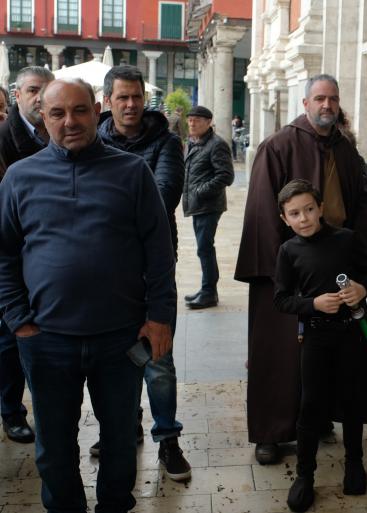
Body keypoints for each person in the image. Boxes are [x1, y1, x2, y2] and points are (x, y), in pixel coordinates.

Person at [0, 78, 176, 513]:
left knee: (119, 442)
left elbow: (158, 252)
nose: (70, 121)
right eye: (58, 113)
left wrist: (160, 318)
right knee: (54, 449)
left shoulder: (132, 172)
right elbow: (4, 255)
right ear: (44, 117)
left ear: (97, 110)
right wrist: (18, 319)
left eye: (80, 111)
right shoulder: (21, 177)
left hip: (119, 339)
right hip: (46, 342)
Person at [234, 74, 367, 465]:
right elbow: (263, 213)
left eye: (332, 98)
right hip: (286, 267)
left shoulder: (346, 150)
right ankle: (270, 432)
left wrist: (355, 253)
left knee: (328, 348)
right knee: (277, 352)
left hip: (334, 264)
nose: (327, 105)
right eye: (319, 99)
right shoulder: (278, 146)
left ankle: (316, 417)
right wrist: (277, 272)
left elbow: (366, 198)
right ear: (305, 104)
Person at [97, 65, 191, 481]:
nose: (131, 104)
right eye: (122, 97)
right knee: (115, 355)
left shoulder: (167, 141)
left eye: (136, 96)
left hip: (154, 265)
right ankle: (124, 427)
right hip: (107, 268)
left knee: (158, 356)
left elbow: (165, 194)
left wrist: (107, 207)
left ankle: (167, 438)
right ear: (108, 102)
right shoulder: (92, 139)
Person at [273, 179, 367, 512]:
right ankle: (304, 475)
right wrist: (312, 304)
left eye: (309, 209)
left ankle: (354, 462)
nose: (304, 218)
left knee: (352, 400)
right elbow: (281, 299)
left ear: (321, 208)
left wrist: (361, 290)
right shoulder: (288, 251)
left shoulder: (346, 239)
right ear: (285, 218)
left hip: (350, 335)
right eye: (295, 213)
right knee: (311, 405)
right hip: (316, 336)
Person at [0, 66, 54, 446]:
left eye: (45, 90)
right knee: (8, 338)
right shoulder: (5, 138)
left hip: (43, 254)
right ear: (17, 94)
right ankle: (11, 411)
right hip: (9, 249)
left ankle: (41, 409)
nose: (40, 97)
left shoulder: (56, 132)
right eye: (33, 89)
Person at [182, 105, 235, 309]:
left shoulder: (216, 145)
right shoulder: (192, 142)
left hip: (209, 205)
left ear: (208, 122)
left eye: (196, 120)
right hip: (197, 204)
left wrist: (200, 191)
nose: (192, 123)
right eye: (190, 119)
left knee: (205, 249)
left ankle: (209, 293)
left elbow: (226, 176)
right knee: (203, 249)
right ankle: (206, 288)